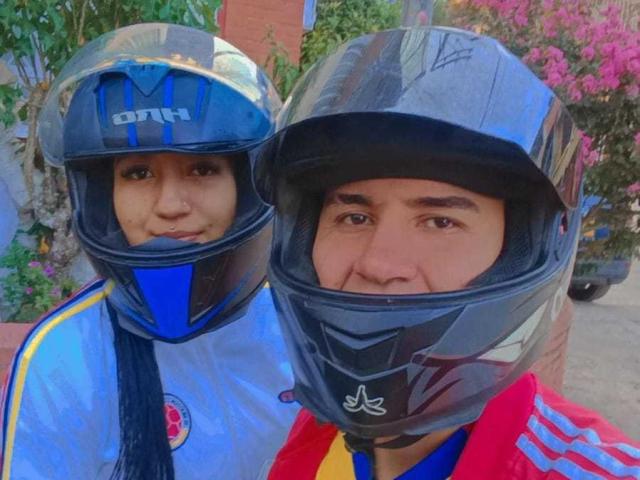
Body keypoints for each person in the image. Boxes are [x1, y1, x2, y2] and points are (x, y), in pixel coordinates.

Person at [254, 27, 640, 479]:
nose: (378, 263)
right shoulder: (314, 436)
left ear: (520, 253)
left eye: (440, 222)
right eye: (355, 217)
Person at [0, 24, 298, 480]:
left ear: (246, 185)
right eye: (138, 174)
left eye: (202, 168)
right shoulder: (64, 359)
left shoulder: (302, 332)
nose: (170, 205)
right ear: (104, 196)